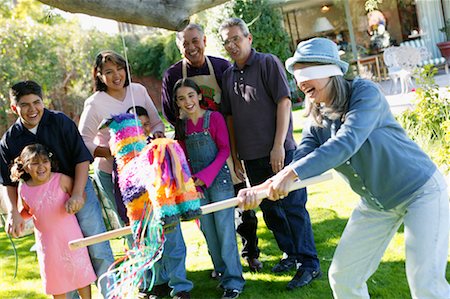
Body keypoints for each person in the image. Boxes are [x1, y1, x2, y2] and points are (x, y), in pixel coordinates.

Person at [238, 37, 450, 299]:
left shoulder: (364, 93)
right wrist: (259, 189)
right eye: (297, 73)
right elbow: (300, 159)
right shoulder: (317, 119)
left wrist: (288, 175)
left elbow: (346, 142)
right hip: (376, 204)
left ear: (330, 71)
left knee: (425, 282)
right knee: (343, 277)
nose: (300, 81)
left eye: (307, 70)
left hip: (421, 192)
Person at [219, 17, 321, 290]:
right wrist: (236, 155)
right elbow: (229, 117)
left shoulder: (267, 62)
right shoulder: (228, 76)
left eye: (236, 39)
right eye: (226, 41)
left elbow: (284, 102)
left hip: (280, 151)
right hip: (250, 157)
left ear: (248, 38)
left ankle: (309, 263)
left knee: (293, 207)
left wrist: (278, 145)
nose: (232, 45)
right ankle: (290, 253)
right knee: (270, 209)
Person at [161, 22, 261, 273]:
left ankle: (250, 251)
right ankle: (220, 261)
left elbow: (234, 105)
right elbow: (171, 114)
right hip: (196, 147)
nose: (191, 47)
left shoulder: (221, 67)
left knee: (241, 200)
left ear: (204, 40)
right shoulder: (173, 75)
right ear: (179, 47)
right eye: (185, 43)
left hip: (228, 143)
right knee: (205, 211)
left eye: (195, 41)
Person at [0, 80, 114, 298]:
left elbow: (81, 158)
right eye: (25, 105)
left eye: (36, 102)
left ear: (43, 101)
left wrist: (79, 194)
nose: (32, 109)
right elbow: (8, 181)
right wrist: (13, 213)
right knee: (60, 253)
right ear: (14, 108)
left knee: (96, 244)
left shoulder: (60, 122)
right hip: (46, 203)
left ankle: (112, 294)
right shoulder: (9, 140)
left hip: (76, 187)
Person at [173, 78, 245, 299]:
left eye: (191, 96)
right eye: (182, 99)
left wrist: (205, 177)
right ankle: (224, 277)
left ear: (199, 96)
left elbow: (224, 150)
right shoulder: (182, 127)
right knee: (209, 233)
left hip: (219, 182)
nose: (188, 102)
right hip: (197, 187)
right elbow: (181, 158)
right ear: (177, 103)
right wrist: (191, 182)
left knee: (225, 232)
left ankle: (235, 281)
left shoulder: (214, 118)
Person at [78, 50, 165, 231]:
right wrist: (113, 152)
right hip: (112, 175)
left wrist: (156, 137)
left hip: (146, 169)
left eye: (120, 69)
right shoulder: (95, 103)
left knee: (158, 221)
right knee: (133, 227)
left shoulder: (138, 91)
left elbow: (157, 123)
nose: (116, 75)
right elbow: (83, 141)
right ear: (99, 76)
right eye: (109, 71)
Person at [11, 144, 97, 299]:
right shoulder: (23, 189)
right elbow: (27, 211)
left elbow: (80, 195)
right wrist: (18, 219)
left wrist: (75, 202)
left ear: (50, 162)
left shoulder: (61, 180)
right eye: (35, 163)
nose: (41, 166)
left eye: (45, 161)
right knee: (55, 279)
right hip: (48, 244)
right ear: (25, 167)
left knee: (80, 275)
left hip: (70, 237)